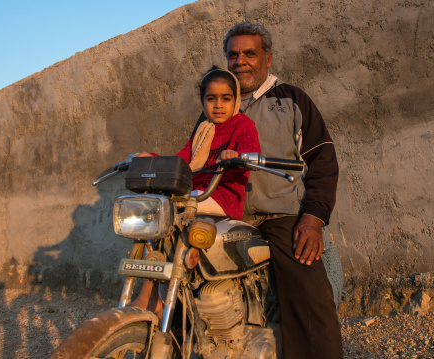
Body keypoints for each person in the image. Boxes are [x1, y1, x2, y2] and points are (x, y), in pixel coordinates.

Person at [194, 22, 343, 358]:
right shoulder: (216, 105)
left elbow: (322, 160)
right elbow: (194, 158)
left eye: (250, 53)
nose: (240, 61)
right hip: (225, 212)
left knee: (309, 288)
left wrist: (313, 217)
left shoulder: (292, 100)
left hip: (279, 215)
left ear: (268, 59)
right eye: (233, 54)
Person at [136, 66, 260, 220]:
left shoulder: (243, 125)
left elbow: (251, 151)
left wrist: (236, 156)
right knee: (153, 209)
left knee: (169, 207)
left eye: (226, 98)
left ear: (236, 100)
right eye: (211, 98)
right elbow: (181, 161)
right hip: (194, 192)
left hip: (222, 197)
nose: (218, 105)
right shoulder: (203, 129)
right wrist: (152, 159)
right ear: (202, 101)